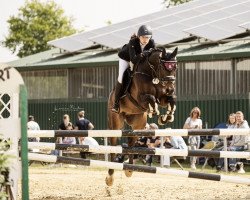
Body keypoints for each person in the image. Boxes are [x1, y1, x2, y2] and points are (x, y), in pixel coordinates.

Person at [111, 25, 156, 113]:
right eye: (143, 37)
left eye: (148, 37)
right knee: (121, 77)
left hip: (139, 59)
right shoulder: (133, 42)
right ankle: (116, 103)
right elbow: (133, 60)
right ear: (139, 36)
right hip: (126, 59)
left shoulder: (152, 42)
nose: (145, 40)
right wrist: (144, 54)